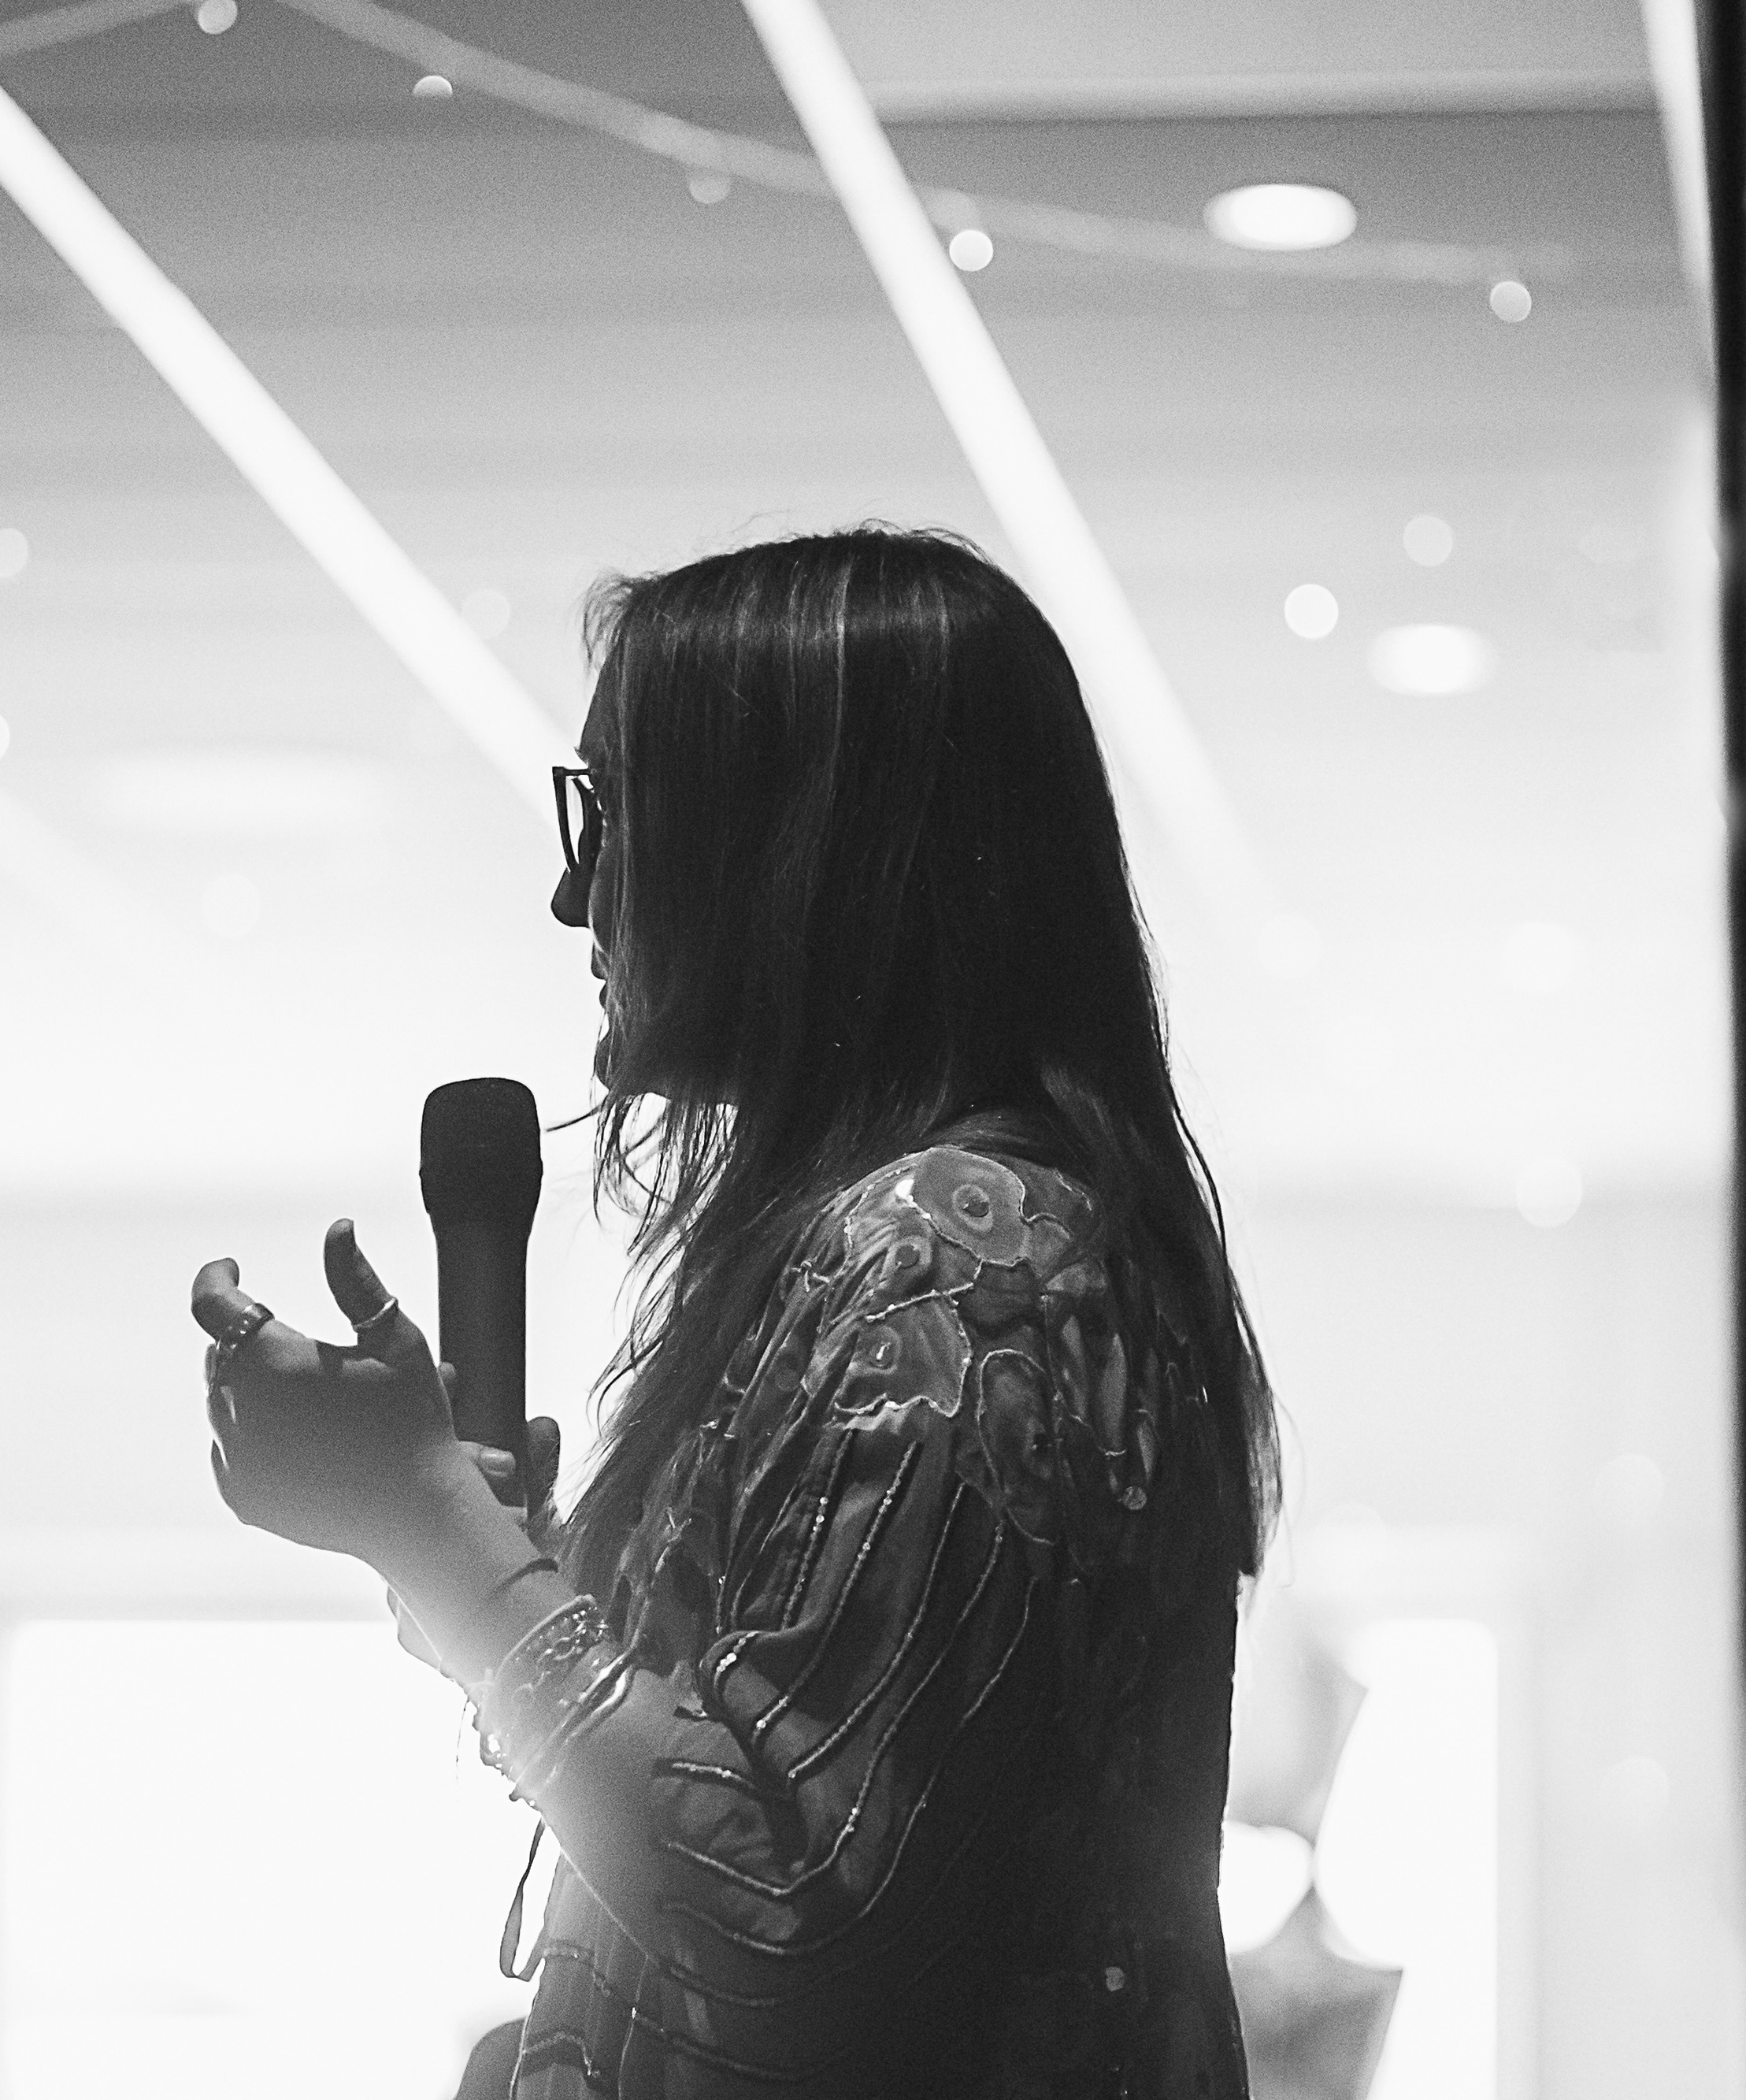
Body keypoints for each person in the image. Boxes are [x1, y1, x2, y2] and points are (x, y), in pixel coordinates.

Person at [189, 527, 1276, 2098]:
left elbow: (779, 1917)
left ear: (794, 845)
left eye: (614, 816)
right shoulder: (993, 1236)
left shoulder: (949, 1261)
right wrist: (481, 1558)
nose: (577, 894)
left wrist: (430, 1523)